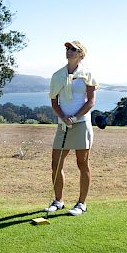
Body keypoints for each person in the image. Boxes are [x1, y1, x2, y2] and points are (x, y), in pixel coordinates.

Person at [45, 41, 99, 216]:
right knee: (56, 163)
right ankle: (58, 201)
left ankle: (81, 204)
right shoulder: (57, 75)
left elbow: (91, 101)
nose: (69, 51)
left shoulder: (87, 74)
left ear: (81, 54)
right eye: (67, 49)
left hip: (81, 123)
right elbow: (54, 102)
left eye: (73, 49)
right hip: (63, 125)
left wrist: (75, 117)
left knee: (82, 163)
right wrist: (63, 117)